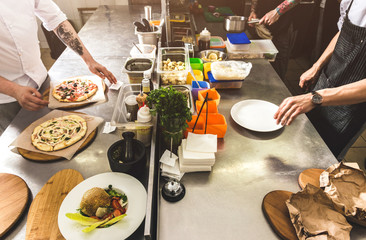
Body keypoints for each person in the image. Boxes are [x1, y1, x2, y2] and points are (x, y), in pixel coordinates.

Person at [0, 0, 117, 135]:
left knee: (59, 133)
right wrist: (14, 90)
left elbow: (56, 20)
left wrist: (89, 60)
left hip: (41, 79)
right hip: (6, 100)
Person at [274, 0, 366, 160]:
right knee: (302, 136)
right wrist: (317, 66)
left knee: (322, 155)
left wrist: (316, 98)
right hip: (328, 79)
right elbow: (343, 31)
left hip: (352, 102)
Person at [249, 0, 301, 80]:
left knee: (276, 72)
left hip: (283, 27)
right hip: (262, 23)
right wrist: (253, 10)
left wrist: (277, 12)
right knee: (257, 67)